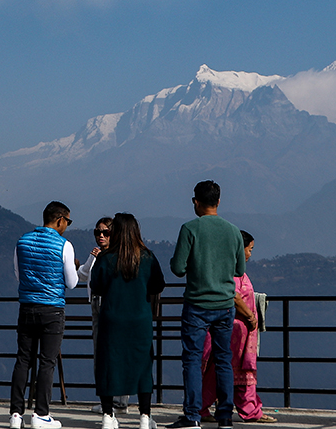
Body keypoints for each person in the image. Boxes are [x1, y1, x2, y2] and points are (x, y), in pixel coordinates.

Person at [168, 181, 245, 429]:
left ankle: (192, 416)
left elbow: (178, 268)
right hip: (225, 305)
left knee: (192, 360)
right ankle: (225, 417)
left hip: (197, 305)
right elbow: (239, 269)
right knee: (224, 359)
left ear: (196, 202)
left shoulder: (190, 229)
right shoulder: (233, 231)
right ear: (219, 202)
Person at [9, 201, 79, 429]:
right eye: (67, 221)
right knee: (47, 362)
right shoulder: (64, 245)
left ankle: (16, 415)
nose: (67, 226)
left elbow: (19, 276)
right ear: (60, 219)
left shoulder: (22, 241)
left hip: (27, 307)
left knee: (23, 360)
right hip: (52, 310)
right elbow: (71, 283)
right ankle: (41, 415)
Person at [92, 213, 165, 429]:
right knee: (143, 365)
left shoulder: (106, 258)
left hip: (112, 317)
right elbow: (158, 285)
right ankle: (144, 416)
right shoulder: (147, 257)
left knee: (108, 363)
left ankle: (108, 415)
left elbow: (96, 286)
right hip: (140, 318)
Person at [201, 231, 273, 423]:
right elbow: (234, 296)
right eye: (249, 250)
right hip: (234, 329)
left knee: (217, 371)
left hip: (235, 330)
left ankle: (202, 406)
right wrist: (250, 316)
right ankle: (249, 410)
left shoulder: (228, 268)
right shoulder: (232, 270)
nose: (250, 255)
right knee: (235, 371)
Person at [76, 217, 131, 415]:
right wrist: (87, 261)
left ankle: (117, 402)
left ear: (114, 234)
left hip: (110, 305)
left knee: (114, 353)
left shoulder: (116, 255)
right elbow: (83, 275)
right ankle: (108, 401)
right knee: (100, 353)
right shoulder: (97, 254)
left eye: (105, 232)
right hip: (96, 305)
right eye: (97, 232)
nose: (100, 236)